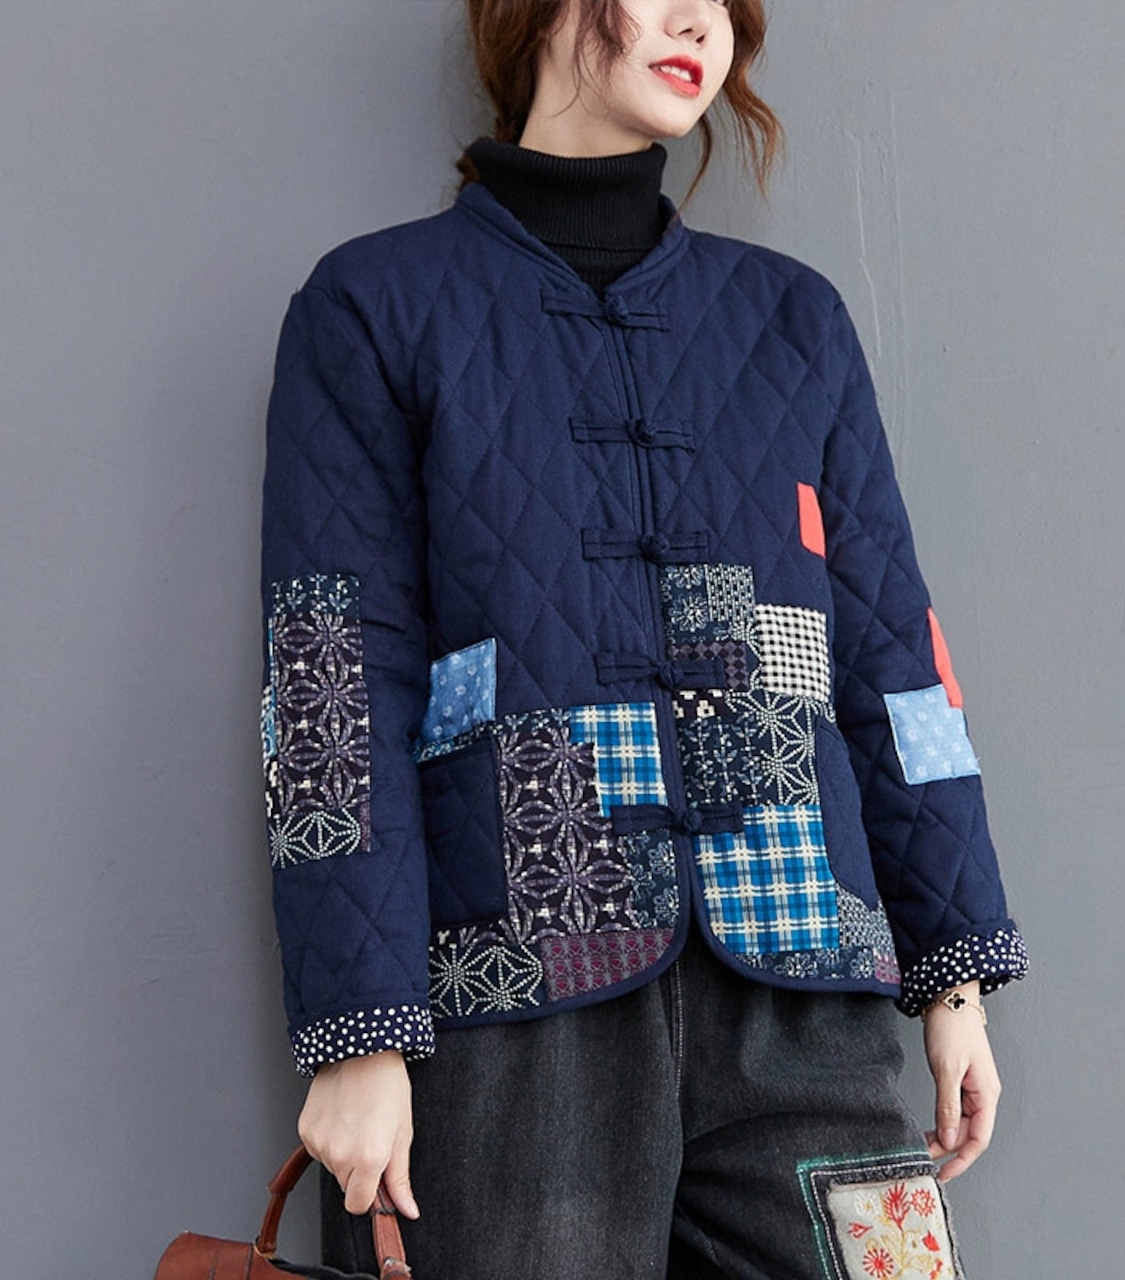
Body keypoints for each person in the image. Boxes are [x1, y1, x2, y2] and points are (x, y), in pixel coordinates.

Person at [259, 1, 1028, 1275]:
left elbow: (894, 654)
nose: (699, 25)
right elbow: (330, 677)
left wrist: (954, 978)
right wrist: (358, 1034)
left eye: (723, 5)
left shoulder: (789, 319)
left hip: (803, 970)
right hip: (517, 982)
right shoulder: (379, 304)